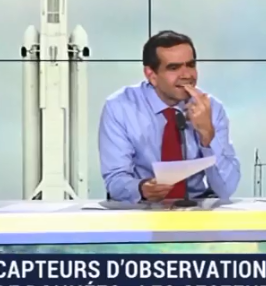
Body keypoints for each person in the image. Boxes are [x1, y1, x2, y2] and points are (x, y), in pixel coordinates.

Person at [98, 31, 241, 203]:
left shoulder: (211, 108)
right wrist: (141, 188)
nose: (186, 75)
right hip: (141, 208)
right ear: (151, 75)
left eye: (190, 65)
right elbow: (115, 179)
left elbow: (226, 189)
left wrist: (207, 136)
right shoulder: (120, 107)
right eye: (174, 68)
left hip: (194, 209)